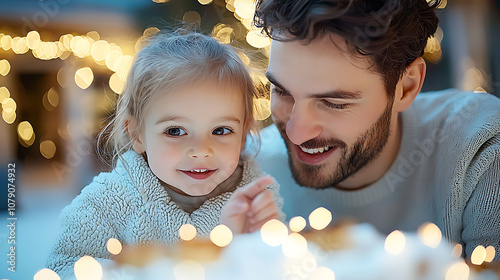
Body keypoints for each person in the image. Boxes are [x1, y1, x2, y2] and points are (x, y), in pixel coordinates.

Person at [252, 0, 500, 261]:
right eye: (281, 91)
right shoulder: (240, 167)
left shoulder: (480, 145)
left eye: (334, 103)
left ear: (406, 87)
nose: (296, 133)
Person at [47, 32, 284, 277]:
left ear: (243, 133)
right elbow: (63, 268)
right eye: (175, 131)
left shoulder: (255, 202)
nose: (201, 150)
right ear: (138, 135)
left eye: (221, 130)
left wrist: (247, 244)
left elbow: (280, 267)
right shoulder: (106, 203)